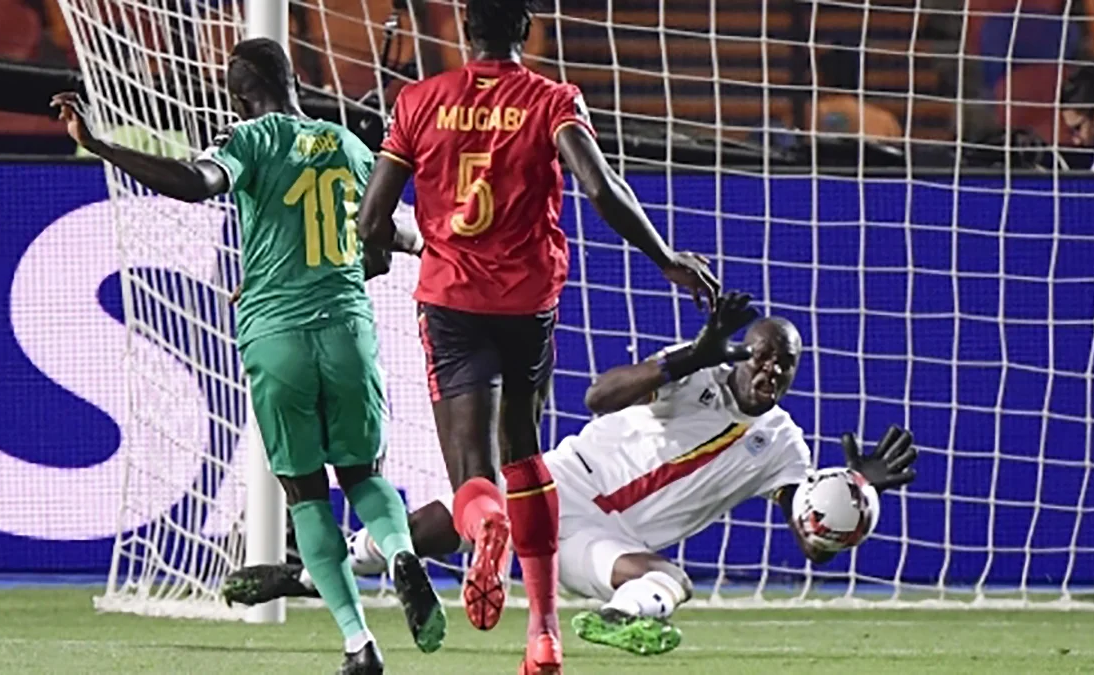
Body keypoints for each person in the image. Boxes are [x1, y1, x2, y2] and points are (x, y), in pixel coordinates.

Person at [223, 293, 919, 657]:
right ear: (743, 351)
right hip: (562, 480)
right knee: (440, 523)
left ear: (793, 373)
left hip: (603, 538)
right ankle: (307, 575)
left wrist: (854, 491)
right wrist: (691, 354)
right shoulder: (695, 370)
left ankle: (617, 619)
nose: (771, 370)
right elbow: (598, 396)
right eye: (763, 355)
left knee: (668, 579)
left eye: (784, 364)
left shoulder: (784, 444)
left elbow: (807, 532)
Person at [52, 38, 444, 675]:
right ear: (296, 84)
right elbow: (382, 239)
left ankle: (358, 643)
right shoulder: (348, 145)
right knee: (365, 476)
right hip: (347, 331)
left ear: (237, 96)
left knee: (306, 494)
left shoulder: (247, 139)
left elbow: (195, 183)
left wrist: (100, 144)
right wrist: (426, 251)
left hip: (277, 336)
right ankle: (400, 553)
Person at [354, 0, 720, 671]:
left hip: (451, 301)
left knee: (472, 475)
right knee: (523, 457)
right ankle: (543, 635)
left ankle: (483, 523)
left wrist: (392, 248)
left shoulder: (418, 101)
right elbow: (600, 187)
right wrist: (665, 257)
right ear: (526, 30)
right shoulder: (552, 100)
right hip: (526, 304)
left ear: (465, 30)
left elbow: (372, 219)